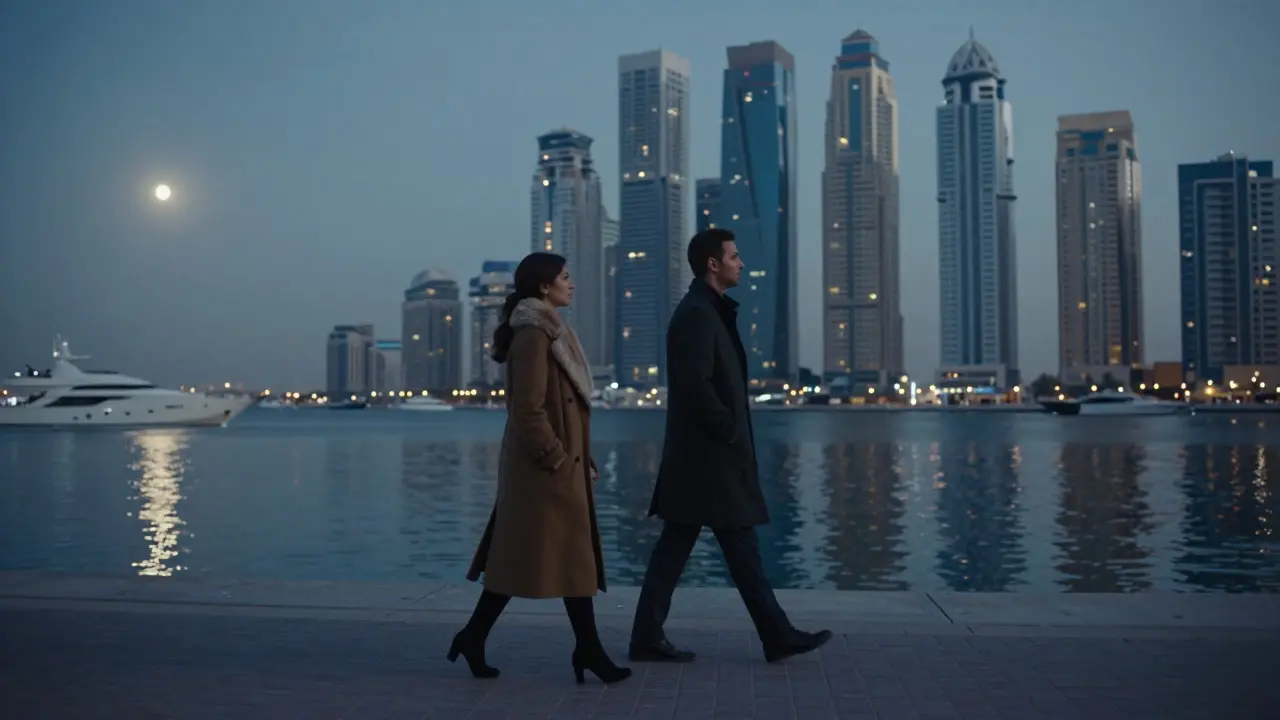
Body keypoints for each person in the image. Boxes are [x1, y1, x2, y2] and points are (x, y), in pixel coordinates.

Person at [628, 229, 832, 664]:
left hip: (705, 456)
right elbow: (695, 384)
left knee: (687, 548)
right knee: (734, 546)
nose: (741, 263)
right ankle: (776, 636)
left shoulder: (711, 311)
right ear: (713, 264)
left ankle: (649, 637)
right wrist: (728, 429)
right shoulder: (698, 314)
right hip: (708, 458)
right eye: (735, 257)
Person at [450, 252, 631, 685]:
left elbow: (556, 408)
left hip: (554, 467)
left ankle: (477, 637)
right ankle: (586, 650)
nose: (572, 284)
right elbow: (527, 410)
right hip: (542, 470)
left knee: (542, 558)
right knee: (556, 558)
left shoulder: (551, 330)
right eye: (565, 278)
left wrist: (577, 457)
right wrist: (556, 457)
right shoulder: (534, 333)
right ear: (544, 287)